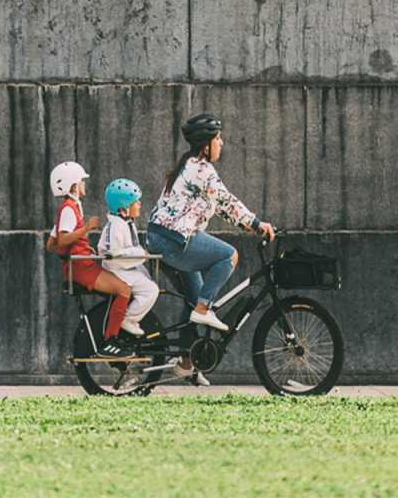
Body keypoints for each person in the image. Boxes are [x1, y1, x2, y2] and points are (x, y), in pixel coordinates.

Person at [147, 113, 275, 384]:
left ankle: (186, 361)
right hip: (173, 240)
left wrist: (249, 226)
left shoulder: (190, 167)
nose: (222, 143)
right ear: (205, 144)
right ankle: (204, 311)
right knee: (229, 256)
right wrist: (256, 221)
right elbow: (226, 200)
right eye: (218, 139)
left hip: (163, 240)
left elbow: (220, 208)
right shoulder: (202, 169)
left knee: (194, 300)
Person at [45, 161, 133, 359]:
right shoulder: (69, 209)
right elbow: (62, 239)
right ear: (73, 186)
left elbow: (52, 245)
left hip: (79, 263)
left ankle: (111, 334)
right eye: (82, 182)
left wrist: (80, 247)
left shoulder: (69, 208)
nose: (85, 185)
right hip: (81, 267)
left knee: (117, 295)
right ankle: (109, 342)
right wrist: (84, 230)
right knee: (124, 290)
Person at [97, 178, 159, 336]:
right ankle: (128, 318)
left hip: (124, 267)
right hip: (118, 270)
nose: (139, 204)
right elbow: (115, 253)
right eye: (135, 202)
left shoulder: (125, 222)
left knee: (148, 280)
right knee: (151, 290)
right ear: (123, 208)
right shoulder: (116, 226)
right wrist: (140, 255)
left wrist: (140, 254)